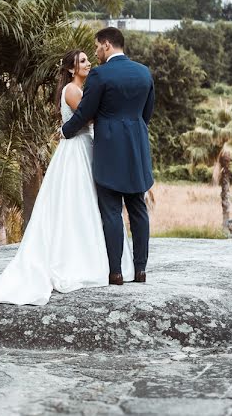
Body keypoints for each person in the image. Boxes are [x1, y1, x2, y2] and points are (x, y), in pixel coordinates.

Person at [0, 48, 134, 306]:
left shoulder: (79, 89)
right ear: (72, 69)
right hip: (78, 152)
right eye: (82, 61)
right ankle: (82, 261)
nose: (88, 64)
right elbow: (90, 118)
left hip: (83, 147)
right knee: (81, 203)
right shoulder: (73, 91)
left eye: (87, 59)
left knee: (87, 204)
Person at [61, 26, 155, 285]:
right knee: (138, 208)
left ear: (106, 45)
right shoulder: (144, 73)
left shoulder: (100, 75)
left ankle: (115, 272)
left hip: (109, 151)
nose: (95, 52)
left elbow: (85, 112)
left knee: (112, 210)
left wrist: (65, 130)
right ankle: (141, 270)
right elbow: (146, 114)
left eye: (96, 47)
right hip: (137, 149)